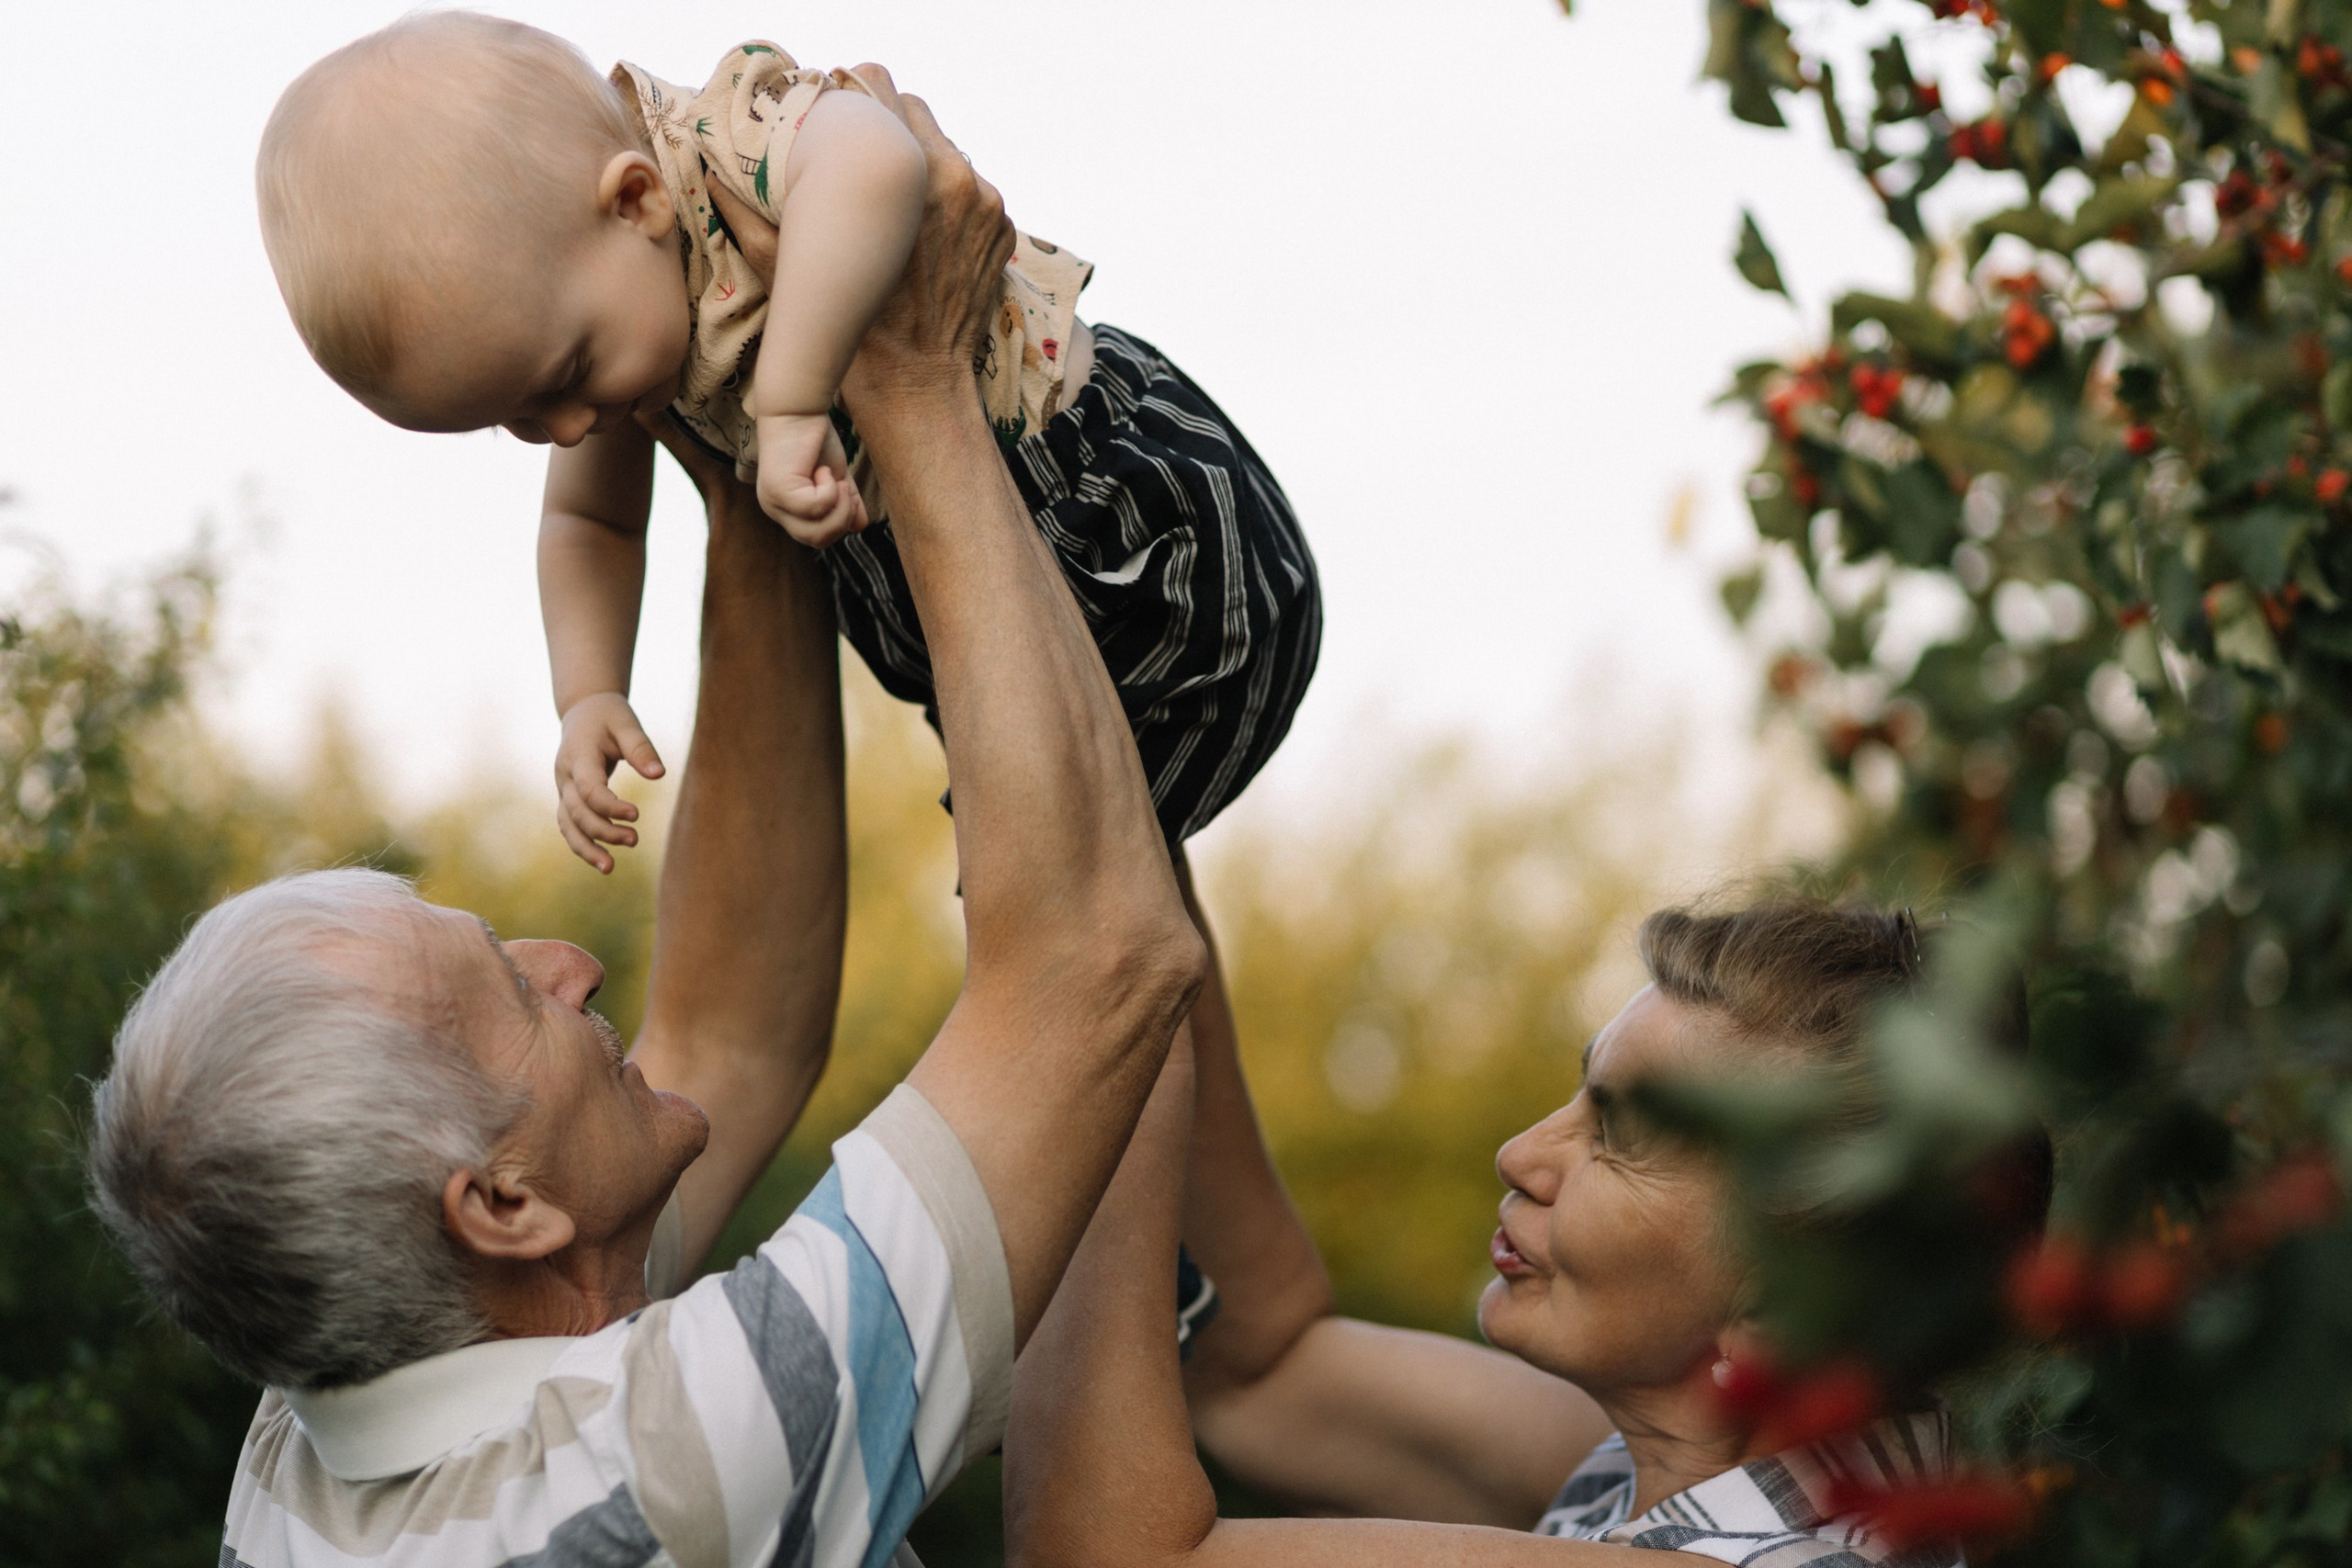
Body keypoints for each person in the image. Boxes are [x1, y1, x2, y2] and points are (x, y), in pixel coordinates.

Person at [89, 84, 1205, 1568]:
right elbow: (1099, 958)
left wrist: (742, 474)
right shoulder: (675, 1462)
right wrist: (915, 382)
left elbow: (727, 1037)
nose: (573, 962)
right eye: (510, 990)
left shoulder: (330, 1420)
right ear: (497, 1202)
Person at [254, 12, 1319, 876]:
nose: (568, 428)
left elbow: (874, 162)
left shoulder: (724, 139)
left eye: (563, 383)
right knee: (1082, 901)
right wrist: (586, 693)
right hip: (970, 600)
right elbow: (587, 520)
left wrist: (792, 401)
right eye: (515, 420)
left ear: (633, 200)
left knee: (1086, 911)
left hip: (1114, 514)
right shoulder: (585, 308)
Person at [1001, 898, 2052, 1567]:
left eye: (1620, 1134)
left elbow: (1096, 1553)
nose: (1520, 1153)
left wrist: (1101, 982)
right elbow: (1265, 1366)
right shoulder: (1722, 1467)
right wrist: (1133, 796)